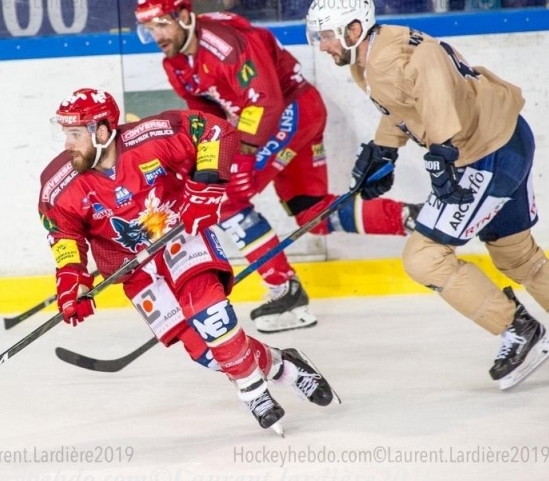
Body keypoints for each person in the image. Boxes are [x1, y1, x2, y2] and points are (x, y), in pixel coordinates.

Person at [305, 0, 549, 389]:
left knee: (423, 257)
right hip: (508, 138)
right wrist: (384, 150)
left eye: (326, 35)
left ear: (353, 29)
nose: (322, 45)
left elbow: (433, 72)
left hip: (484, 152)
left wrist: (441, 151)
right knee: (517, 256)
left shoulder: (384, 60)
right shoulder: (376, 52)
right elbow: (408, 99)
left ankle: (519, 329)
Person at [38, 87, 339, 434]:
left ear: (102, 131)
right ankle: (285, 367)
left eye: (75, 134)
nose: (67, 144)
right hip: (135, 269)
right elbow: (65, 237)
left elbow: (215, 131)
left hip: (180, 234)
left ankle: (253, 392)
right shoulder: (57, 186)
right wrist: (72, 283)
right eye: (65, 134)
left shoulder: (151, 137)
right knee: (205, 351)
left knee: (208, 312)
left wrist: (206, 187)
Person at [134, 0, 422, 334]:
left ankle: (284, 288)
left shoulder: (226, 45)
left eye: (161, 24)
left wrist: (239, 153)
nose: (157, 35)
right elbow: (205, 114)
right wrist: (208, 153)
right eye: (149, 29)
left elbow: (266, 101)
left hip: (291, 111)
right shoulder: (176, 62)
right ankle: (413, 219)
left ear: (182, 14)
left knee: (226, 195)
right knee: (312, 214)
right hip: (280, 117)